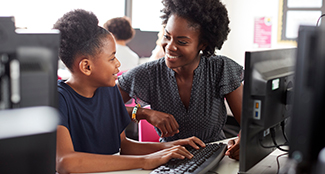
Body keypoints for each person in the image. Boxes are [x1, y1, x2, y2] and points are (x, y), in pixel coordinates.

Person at [54, 9, 206, 174]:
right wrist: (145, 161)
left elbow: (124, 146)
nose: (118, 64)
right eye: (112, 58)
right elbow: (65, 162)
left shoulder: (109, 91)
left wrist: (169, 147)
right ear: (86, 66)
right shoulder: (58, 99)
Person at [117, 0, 243, 160]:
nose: (169, 46)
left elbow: (251, 123)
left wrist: (241, 141)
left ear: (203, 44)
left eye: (181, 42)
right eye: (167, 36)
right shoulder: (147, 74)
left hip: (216, 157)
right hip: (169, 160)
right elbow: (101, 107)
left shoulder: (220, 68)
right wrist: (143, 113)